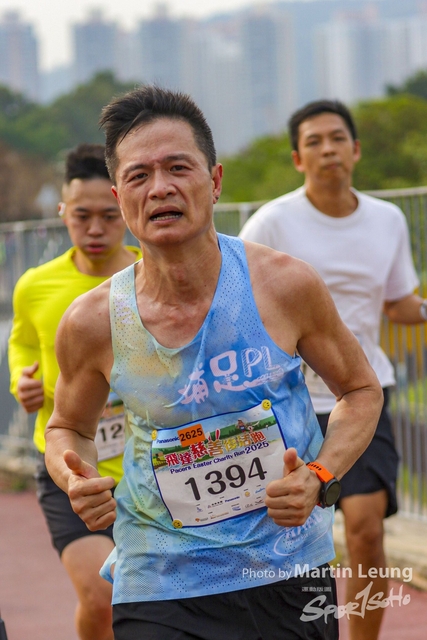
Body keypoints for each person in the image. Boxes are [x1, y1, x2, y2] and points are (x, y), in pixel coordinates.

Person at [44, 87, 382, 640]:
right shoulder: (92, 321)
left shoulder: (283, 285)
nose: (160, 188)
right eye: (139, 176)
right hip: (159, 577)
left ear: (215, 180)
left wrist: (321, 476)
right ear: (121, 197)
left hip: (285, 567)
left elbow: (361, 392)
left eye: (178, 168)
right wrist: (73, 475)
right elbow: (68, 428)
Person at [239, 99, 426, 640]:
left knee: (366, 530)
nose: (328, 150)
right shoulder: (272, 221)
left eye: (337, 138)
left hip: (361, 393)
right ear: (298, 158)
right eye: (314, 142)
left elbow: (398, 303)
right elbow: (238, 297)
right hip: (287, 401)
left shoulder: (387, 220)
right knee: (282, 538)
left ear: (356, 149)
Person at [8, 143, 141, 640]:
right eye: (82, 216)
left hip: (148, 467)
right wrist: (21, 379)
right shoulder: (35, 285)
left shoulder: (150, 277)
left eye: (109, 216)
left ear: (125, 209)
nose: (95, 229)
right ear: (63, 212)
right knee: (103, 597)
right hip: (69, 468)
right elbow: (23, 342)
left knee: (150, 601)